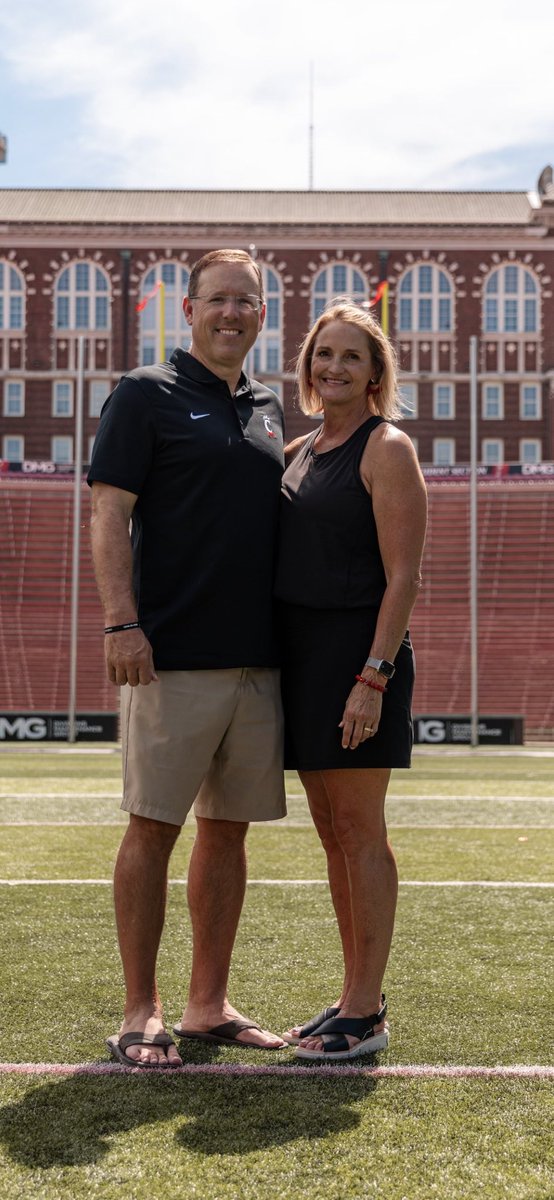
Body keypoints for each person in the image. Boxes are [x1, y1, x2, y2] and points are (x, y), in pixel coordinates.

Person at [88, 249, 288, 1067]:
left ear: (262, 317)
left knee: (228, 836)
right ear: (190, 309)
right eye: (218, 300)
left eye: (247, 301)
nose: (232, 313)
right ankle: (142, 1010)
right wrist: (120, 624)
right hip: (169, 657)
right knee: (151, 829)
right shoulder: (144, 394)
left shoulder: (271, 407)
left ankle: (208, 1004)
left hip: (258, 664)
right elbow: (108, 515)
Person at [275, 300, 427, 1061]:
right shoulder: (299, 449)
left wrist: (373, 676)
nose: (333, 367)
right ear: (308, 366)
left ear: (374, 375)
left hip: (359, 659)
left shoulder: (386, 447)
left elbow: (403, 578)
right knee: (333, 835)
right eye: (322, 354)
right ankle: (350, 995)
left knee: (361, 831)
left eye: (350, 357)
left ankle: (366, 1013)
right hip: (303, 661)